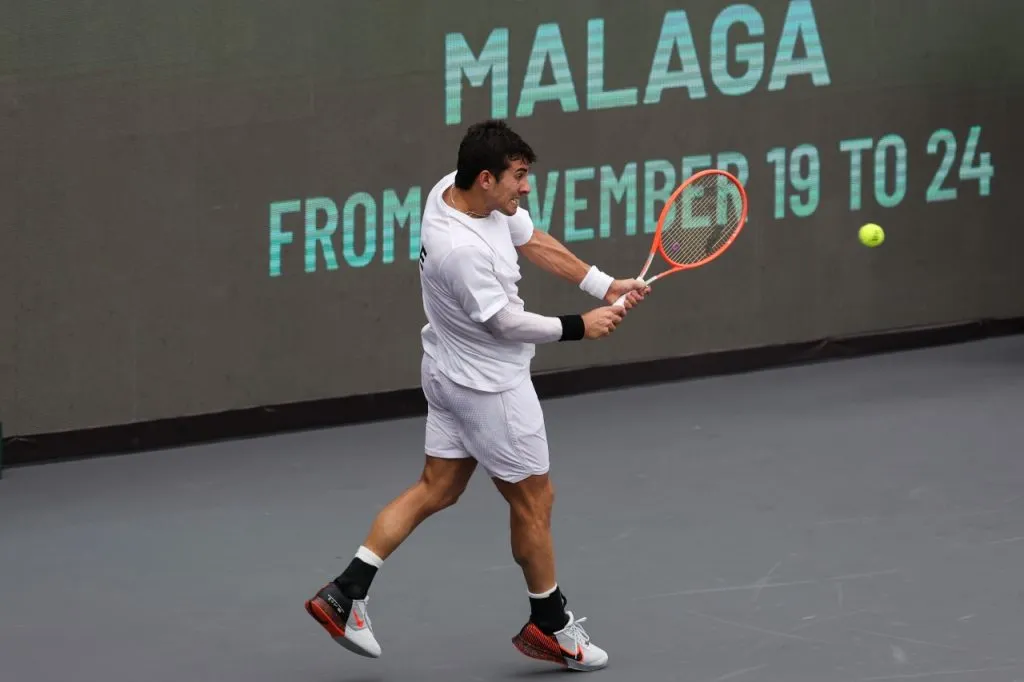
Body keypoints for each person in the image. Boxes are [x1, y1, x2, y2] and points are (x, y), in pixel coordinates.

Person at [305, 119, 649, 672]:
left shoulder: (456, 190)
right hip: (491, 391)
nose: (526, 188)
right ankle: (552, 625)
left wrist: (602, 283)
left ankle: (345, 593)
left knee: (436, 488)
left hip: (444, 373)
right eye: (518, 177)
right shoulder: (459, 251)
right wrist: (581, 326)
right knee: (535, 501)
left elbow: (531, 239)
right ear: (486, 179)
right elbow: (506, 324)